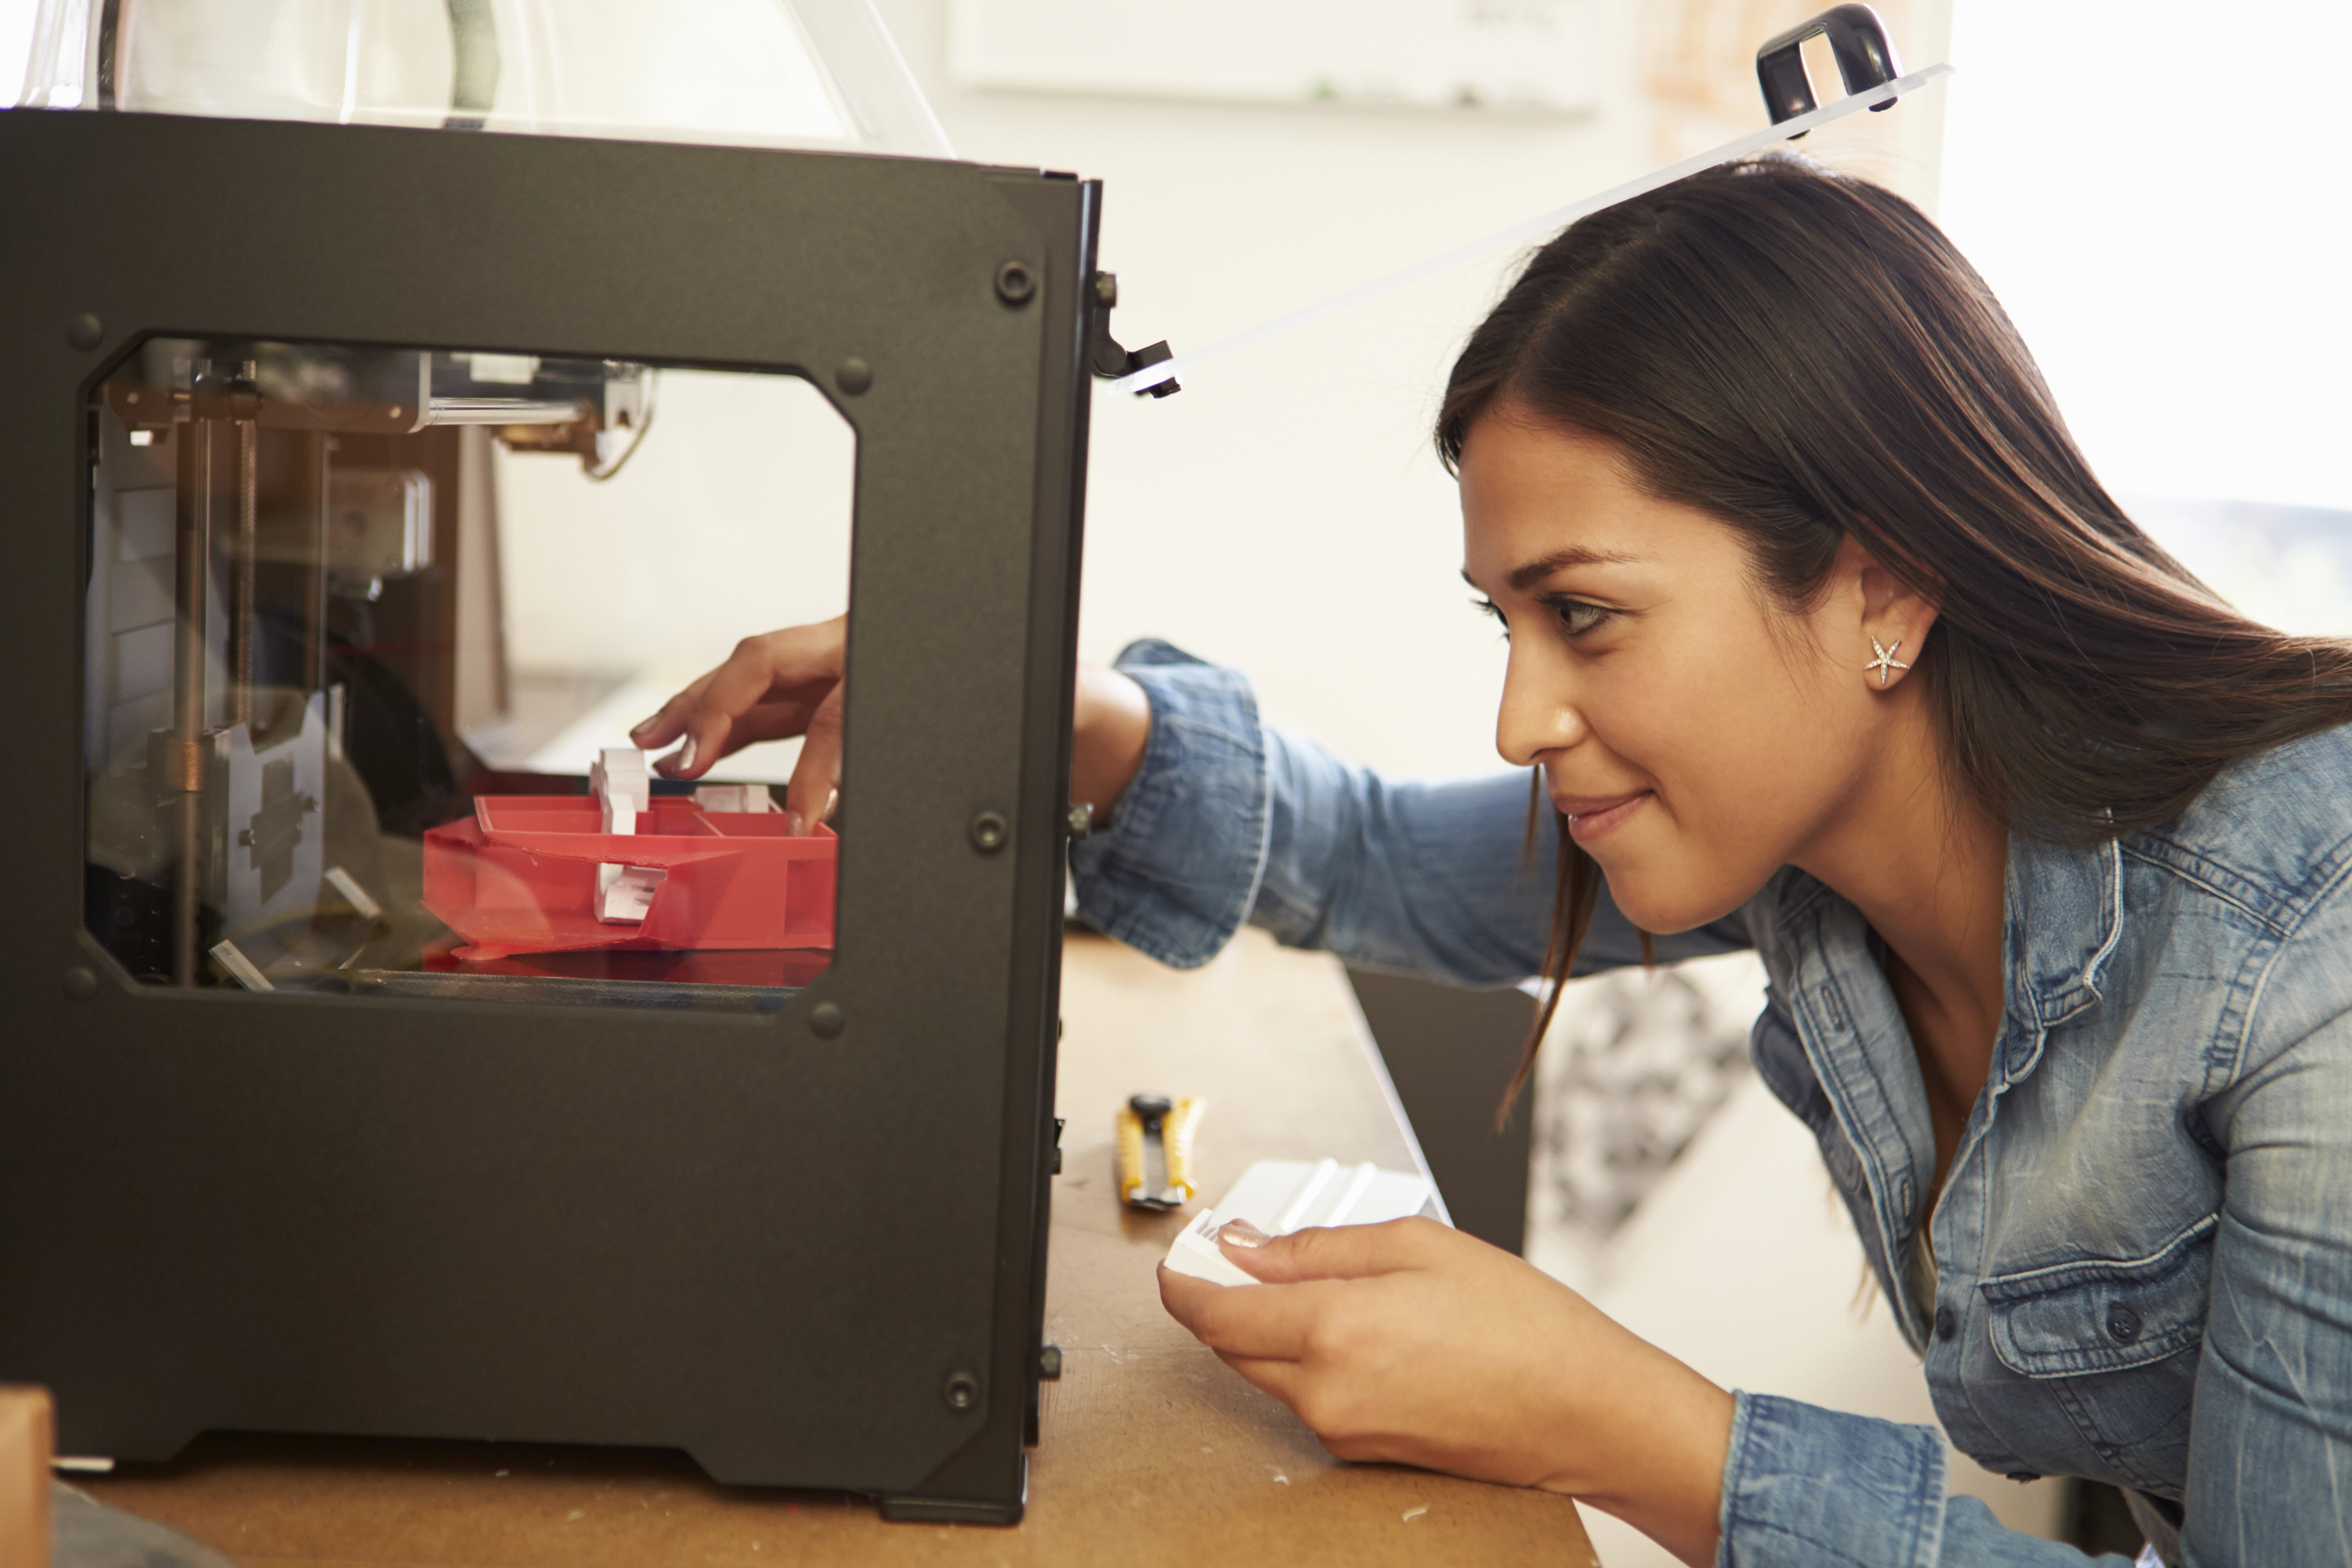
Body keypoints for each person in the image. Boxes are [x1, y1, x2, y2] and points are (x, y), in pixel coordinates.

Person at [628, 156, 2352, 1567]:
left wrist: (1637, 1434)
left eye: (1586, 617)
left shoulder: (2312, 948)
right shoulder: (1806, 846)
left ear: (1884, 588)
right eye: (1507, 621)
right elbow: (1380, 861)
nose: (1522, 716)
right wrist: (1047, 709)